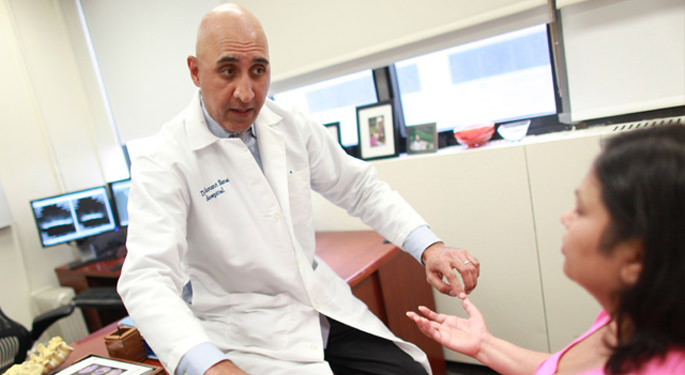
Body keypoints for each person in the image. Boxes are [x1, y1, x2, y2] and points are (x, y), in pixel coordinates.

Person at [117, 3, 480, 375]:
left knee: (409, 372)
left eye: (258, 71)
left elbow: (360, 188)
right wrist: (209, 366)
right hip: (245, 334)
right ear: (195, 71)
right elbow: (147, 279)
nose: (246, 92)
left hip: (318, 304)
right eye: (228, 71)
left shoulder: (290, 126)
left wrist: (429, 247)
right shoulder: (163, 160)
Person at [407, 125, 685, 374]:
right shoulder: (628, 314)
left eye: (582, 211)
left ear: (635, 258)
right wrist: (484, 346)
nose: (566, 217)